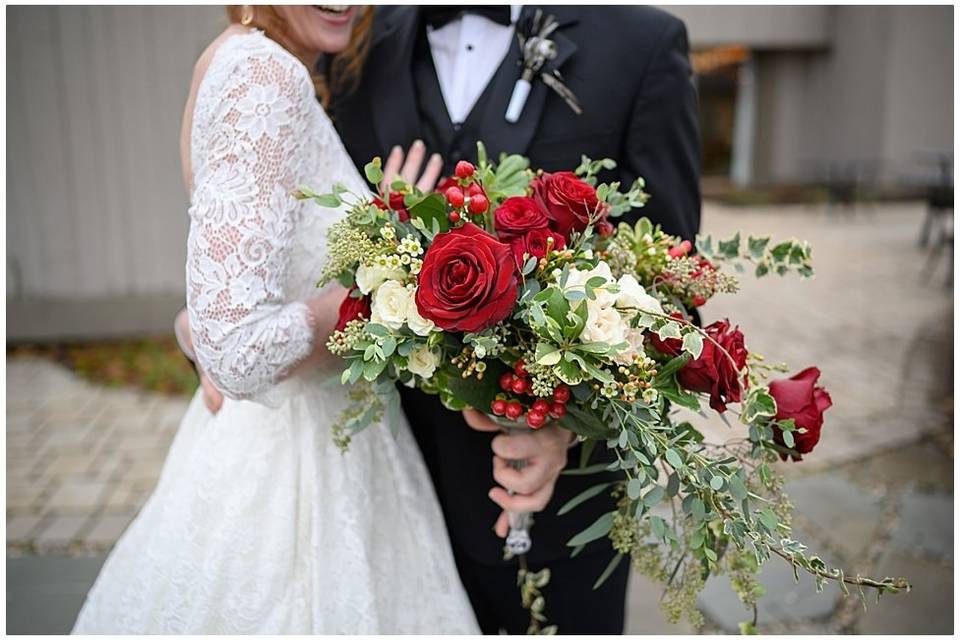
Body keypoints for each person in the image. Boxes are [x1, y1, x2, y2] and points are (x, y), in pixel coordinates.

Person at [72, 6, 478, 633]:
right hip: (297, 475)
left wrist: (377, 231)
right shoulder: (265, 76)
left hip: (321, 446)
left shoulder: (239, 61)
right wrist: (383, 277)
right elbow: (237, 343)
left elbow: (221, 305)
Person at [329, 5, 702, 634]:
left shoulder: (641, 45)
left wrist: (569, 423)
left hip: (557, 518)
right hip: (379, 510)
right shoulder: (349, 41)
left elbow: (674, 288)